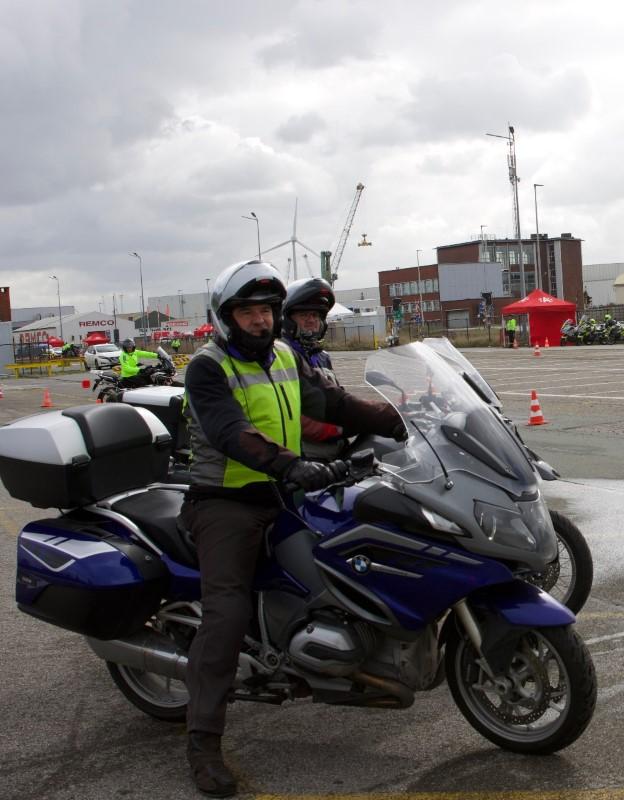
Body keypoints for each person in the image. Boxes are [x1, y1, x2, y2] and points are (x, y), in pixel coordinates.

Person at [181, 260, 407, 797]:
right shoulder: (207, 367)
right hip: (226, 502)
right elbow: (232, 433)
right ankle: (203, 743)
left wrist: (398, 417)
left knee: (348, 557)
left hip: (281, 494)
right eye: (248, 312)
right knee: (226, 612)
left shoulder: (283, 355)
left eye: (266, 310)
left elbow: (331, 402)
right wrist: (291, 465)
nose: (260, 320)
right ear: (226, 317)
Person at [281, 277, 343, 458]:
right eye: (304, 315)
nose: (311, 320)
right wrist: (340, 428)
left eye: (315, 315)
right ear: (288, 319)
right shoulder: (281, 357)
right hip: (302, 455)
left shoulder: (322, 357)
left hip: (333, 449)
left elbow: (339, 399)